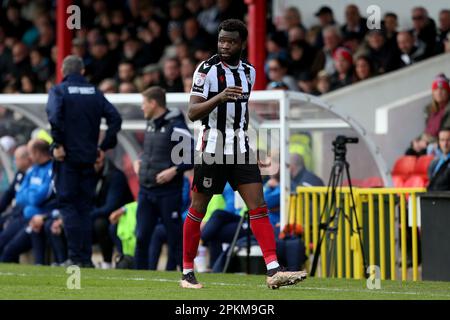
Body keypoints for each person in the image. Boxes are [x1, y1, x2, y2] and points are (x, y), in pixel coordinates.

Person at [183, 19, 307, 289]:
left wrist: (252, 148)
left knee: (258, 206)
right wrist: (219, 98)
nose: (224, 45)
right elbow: (192, 112)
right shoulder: (206, 70)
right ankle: (187, 272)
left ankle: (273, 269)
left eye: (230, 41)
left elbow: (243, 111)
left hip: (240, 149)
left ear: (242, 43)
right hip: (212, 149)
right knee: (198, 209)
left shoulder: (249, 71)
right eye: (221, 40)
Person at [46, 55, 122, 267]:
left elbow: (53, 115)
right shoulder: (95, 92)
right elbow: (115, 118)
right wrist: (104, 146)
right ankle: (86, 258)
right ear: (82, 72)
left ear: (63, 71)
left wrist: (58, 142)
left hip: (67, 158)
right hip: (88, 159)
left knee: (68, 206)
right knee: (84, 208)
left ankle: (75, 257)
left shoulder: (59, 90)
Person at [134, 86, 194, 270]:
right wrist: (140, 161)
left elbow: (192, 155)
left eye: (144, 104)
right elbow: (151, 152)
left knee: (173, 235)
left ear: (153, 103)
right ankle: (139, 274)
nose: (142, 108)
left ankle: (179, 272)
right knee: (142, 235)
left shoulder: (176, 125)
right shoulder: (150, 123)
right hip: (146, 190)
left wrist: (174, 171)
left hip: (168, 192)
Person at [0, 139, 56, 263]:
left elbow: (38, 198)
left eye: (30, 153)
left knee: (8, 249)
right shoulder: (32, 170)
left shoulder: (51, 170)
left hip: (35, 217)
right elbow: (19, 195)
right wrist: (31, 195)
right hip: (23, 214)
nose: (30, 157)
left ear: (36, 153)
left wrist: (29, 195)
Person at [91, 150, 134, 268]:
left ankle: (108, 262)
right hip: (103, 215)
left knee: (100, 224)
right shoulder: (92, 175)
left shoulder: (115, 176)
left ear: (100, 160)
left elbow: (110, 207)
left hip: (122, 217)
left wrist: (88, 214)